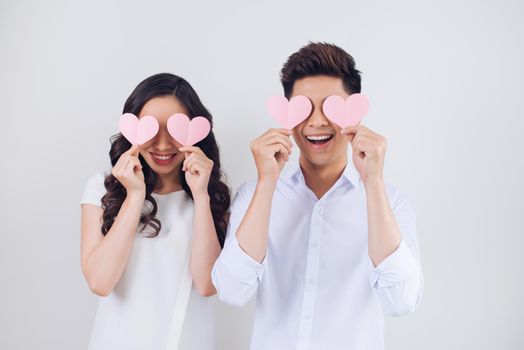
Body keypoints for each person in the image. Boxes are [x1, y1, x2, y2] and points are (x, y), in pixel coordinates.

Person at [212, 42, 423, 350]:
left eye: (331, 106)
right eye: (304, 107)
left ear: (355, 111)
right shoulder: (253, 195)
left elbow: (401, 301)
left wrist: (373, 181)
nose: (317, 121)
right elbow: (232, 292)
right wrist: (267, 182)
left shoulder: (392, 202)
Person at [80, 73, 230, 349]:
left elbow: (208, 284)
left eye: (175, 129)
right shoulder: (101, 189)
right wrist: (135, 196)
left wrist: (200, 195)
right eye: (151, 129)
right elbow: (100, 281)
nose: (162, 145)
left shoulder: (210, 196)